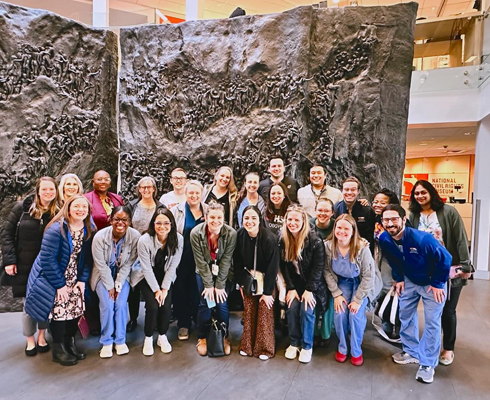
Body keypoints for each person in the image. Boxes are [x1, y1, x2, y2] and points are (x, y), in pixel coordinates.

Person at [378, 204, 452, 384]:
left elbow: (446, 259)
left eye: (394, 219)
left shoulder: (422, 239)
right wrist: (399, 278)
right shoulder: (385, 239)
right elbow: (394, 260)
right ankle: (411, 351)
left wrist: (436, 283)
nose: (390, 223)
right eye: (386, 219)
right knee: (405, 314)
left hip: (432, 282)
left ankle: (427, 363)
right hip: (410, 280)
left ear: (403, 219)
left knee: (432, 322)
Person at [25, 195, 95, 366]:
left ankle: (69, 344)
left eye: (84, 207)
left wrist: (82, 279)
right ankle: (58, 349)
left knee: (74, 311)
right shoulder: (56, 230)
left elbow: (87, 259)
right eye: (76, 206)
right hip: (55, 276)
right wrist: (60, 285)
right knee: (59, 315)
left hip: (74, 276)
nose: (80, 210)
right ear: (68, 208)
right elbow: (47, 259)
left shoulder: (88, 228)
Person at [408, 180, 472, 366]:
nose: (420, 196)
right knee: (430, 312)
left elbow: (460, 239)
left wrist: (465, 266)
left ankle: (448, 348)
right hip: (424, 271)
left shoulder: (448, 212)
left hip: (448, 268)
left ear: (431, 192)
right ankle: (425, 347)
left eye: (423, 192)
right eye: (416, 193)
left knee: (448, 309)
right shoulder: (414, 215)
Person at [2, 177, 60, 356]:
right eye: (45, 189)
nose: (48, 193)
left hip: (47, 264)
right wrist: (9, 261)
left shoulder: (58, 211)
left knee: (45, 301)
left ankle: (42, 336)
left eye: (51, 189)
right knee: (28, 304)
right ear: (38, 190)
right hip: (25, 264)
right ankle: (29, 339)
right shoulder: (22, 208)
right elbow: (7, 234)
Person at [324, 214, 375, 366]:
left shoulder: (362, 248)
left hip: (360, 283)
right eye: (339, 227)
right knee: (340, 312)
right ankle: (342, 346)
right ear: (334, 229)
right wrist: (336, 294)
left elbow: (368, 276)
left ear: (353, 230)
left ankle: (356, 349)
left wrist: (358, 300)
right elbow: (326, 270)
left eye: (346, 228)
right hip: (342, 282)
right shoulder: (327, 246)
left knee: (355, 315)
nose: (342, 231)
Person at [132, 207, 184, 356]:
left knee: (166, 305)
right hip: (146, 275)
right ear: (153, 224)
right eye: (158, 223)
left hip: (166, 275)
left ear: (172, 224)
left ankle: (162, 335)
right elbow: (146, 268)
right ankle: (148, 337)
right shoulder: (144, 240)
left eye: (166, 223)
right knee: (153, 305)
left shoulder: (178, 239)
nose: (162, 227)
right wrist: (156, 290)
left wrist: (164, 289)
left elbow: (173, 266)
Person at [280, 204, 328, 364]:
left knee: (307, 309)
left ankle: (307, 346)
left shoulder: (314, 240)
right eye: (290, 219)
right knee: (292, 307)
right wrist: (291, 288)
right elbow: (285, 266)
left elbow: (318, 268)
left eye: (296, 220)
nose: (292, 223)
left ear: (303, 221)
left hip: (314, 285)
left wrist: (309, 290)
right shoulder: (283, 239)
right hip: (296, 284)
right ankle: (294, 342)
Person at [91, 206, 140, 358]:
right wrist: (110, 286)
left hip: (123, 275)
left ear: (129, 221)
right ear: (110, 220)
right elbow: (100, 264)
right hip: (102, 275)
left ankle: (120, 340)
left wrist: (118, 283)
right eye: (117, 219)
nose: (120, 223)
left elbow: (130, 262)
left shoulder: (135, 236)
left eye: (124, 219)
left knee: (120, 303)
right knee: (107, 304)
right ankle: (106, 341)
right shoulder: (99, 237)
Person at [191, 201, 237, 356]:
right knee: (205, 303)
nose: (215, 221)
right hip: (203, 272)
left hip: (223, 273)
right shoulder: (196, 233)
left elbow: (226, 261)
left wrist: (219, 286)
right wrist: (209, 285)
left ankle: (223, 336)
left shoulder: (231, 234)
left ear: (223, 218)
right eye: (212, 217)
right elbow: (200, 262)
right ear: (206, 217)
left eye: (219, 217)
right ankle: (202, 336)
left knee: (222, 303)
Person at [234, 206, 279, 360]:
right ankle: (247, 345)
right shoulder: (239, 235)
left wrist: (267, 292)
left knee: (264, 310)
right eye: (246, 218)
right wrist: (241, 283)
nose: (250, 221)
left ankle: (264, 348)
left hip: (267, 280)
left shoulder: (269, 238)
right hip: (248, 279)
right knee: (249, 310)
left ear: (259, 220)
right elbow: (237, 262)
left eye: (253, 218)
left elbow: (273, 267)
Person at [84, 170, 123, 333]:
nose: (103, 181)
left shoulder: (116, 198)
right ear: (93, 182)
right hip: (94, 247)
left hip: (116, 248)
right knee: (95, 284)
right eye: (99, 179)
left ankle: (117, 322)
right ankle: (94, 323)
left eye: (106, 179)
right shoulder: (87, 199)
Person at [126, 176, 164, 332]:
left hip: (154, 252)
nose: (147, 190)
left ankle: (153, 319)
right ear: (139, 189)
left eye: (150, 187)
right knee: (133, 286)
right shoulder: (132, 206)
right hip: (134, 251)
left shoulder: (160, 206)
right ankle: (133, 318)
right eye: (143, 187)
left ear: (154, 189)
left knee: (152, 284)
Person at [171, 180, 207, 341]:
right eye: (191, 193)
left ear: (201, 194)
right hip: (182, 258)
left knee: (198, 290)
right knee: (181, 290)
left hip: (202, 258)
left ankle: (198, 321)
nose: (194, 196)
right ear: (186, 194)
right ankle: (183, 324)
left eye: (197, 193)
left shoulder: (207, 210)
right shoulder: (176, 211)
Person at [372, 188, 401, 341]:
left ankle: (394, 326)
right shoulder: (378, 219)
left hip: (394, 261)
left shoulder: (397, 222)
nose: (377, 205)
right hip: (382, 258)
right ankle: (387, 322)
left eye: (382, 202)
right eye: (375, 201)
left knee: (391, 290)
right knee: (383, 290)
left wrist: (398, 275)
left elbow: (399, 250)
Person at [334, 176, 375, 252]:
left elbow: (370, 236)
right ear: (342, 191)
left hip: (361, 250)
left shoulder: (366, 210)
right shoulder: (336, 208)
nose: (349, 192)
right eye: (346, 189)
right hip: (340, 250)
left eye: (353, 190)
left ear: (358, 191)